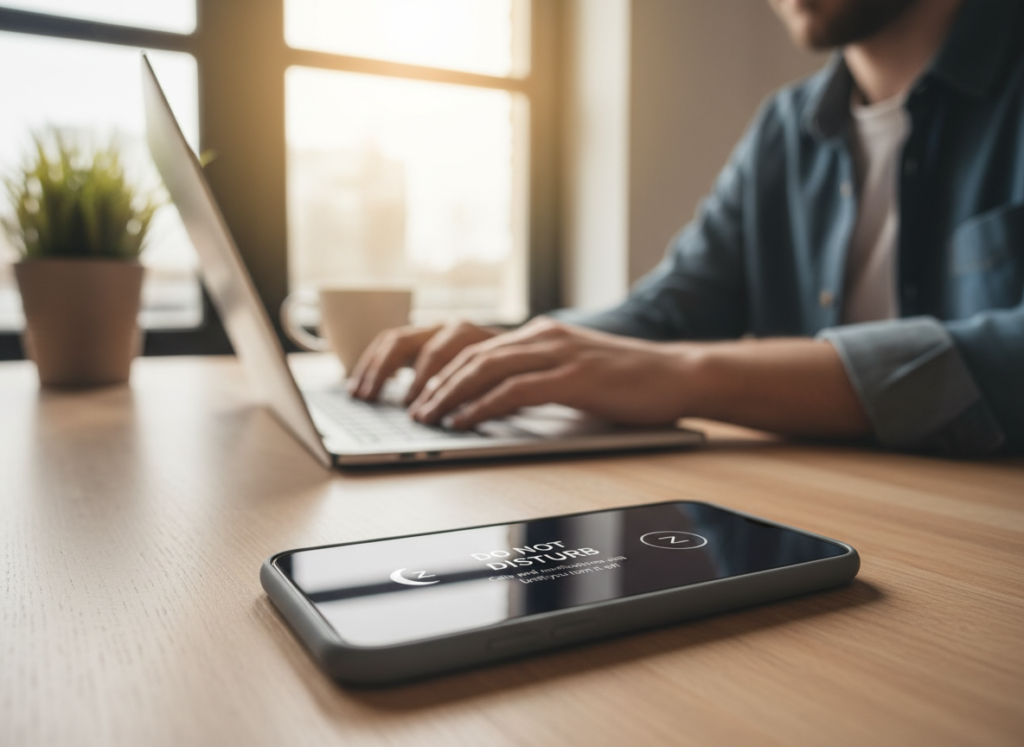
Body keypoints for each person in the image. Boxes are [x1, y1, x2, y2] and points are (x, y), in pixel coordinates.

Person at [348, 0, 1024, 456]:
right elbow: (667, 312)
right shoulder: (784, 130)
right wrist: (509, 351)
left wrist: (687, 374)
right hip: (835, 508)